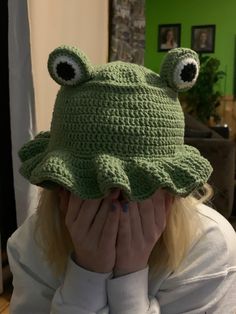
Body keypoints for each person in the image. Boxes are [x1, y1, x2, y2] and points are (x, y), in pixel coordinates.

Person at [7, 46, 236, 313]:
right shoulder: (34, 242)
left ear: (171, 188)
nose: (113, 204)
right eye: (90, 184)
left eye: (137, 189)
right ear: (60, 186)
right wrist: (86, 274)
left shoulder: (210, 248)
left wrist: (130, 277)